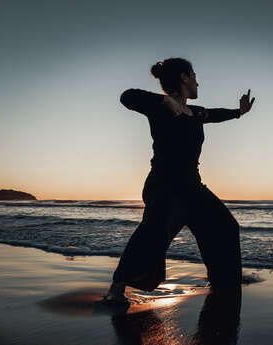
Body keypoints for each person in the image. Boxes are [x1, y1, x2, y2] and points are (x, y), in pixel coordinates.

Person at [102, 57, 255, 304]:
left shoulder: (195, 113)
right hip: (164, 184)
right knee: (153, 232)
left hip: (193, 186)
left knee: (225, 227)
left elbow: (215, 114)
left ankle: (224, 281)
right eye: (194, 76)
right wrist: (164, 100)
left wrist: (239, 112)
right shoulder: (160, 106)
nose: (198, 82)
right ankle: (116, 289)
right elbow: (126, 96)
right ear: (184, 77)